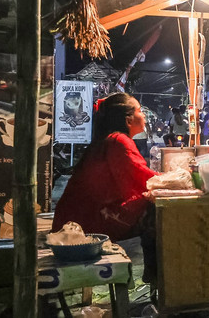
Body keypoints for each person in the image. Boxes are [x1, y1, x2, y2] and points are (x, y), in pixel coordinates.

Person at [52, 93, 158, 282]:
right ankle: (159, 275)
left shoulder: (109, 139)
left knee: (150, 205)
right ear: (128, 119)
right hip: (83, 228)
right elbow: (147, 179)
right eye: (140, 111)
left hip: (75, 220)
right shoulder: (119, 141)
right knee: (157, 212)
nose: (143, 116)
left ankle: (155, 274)